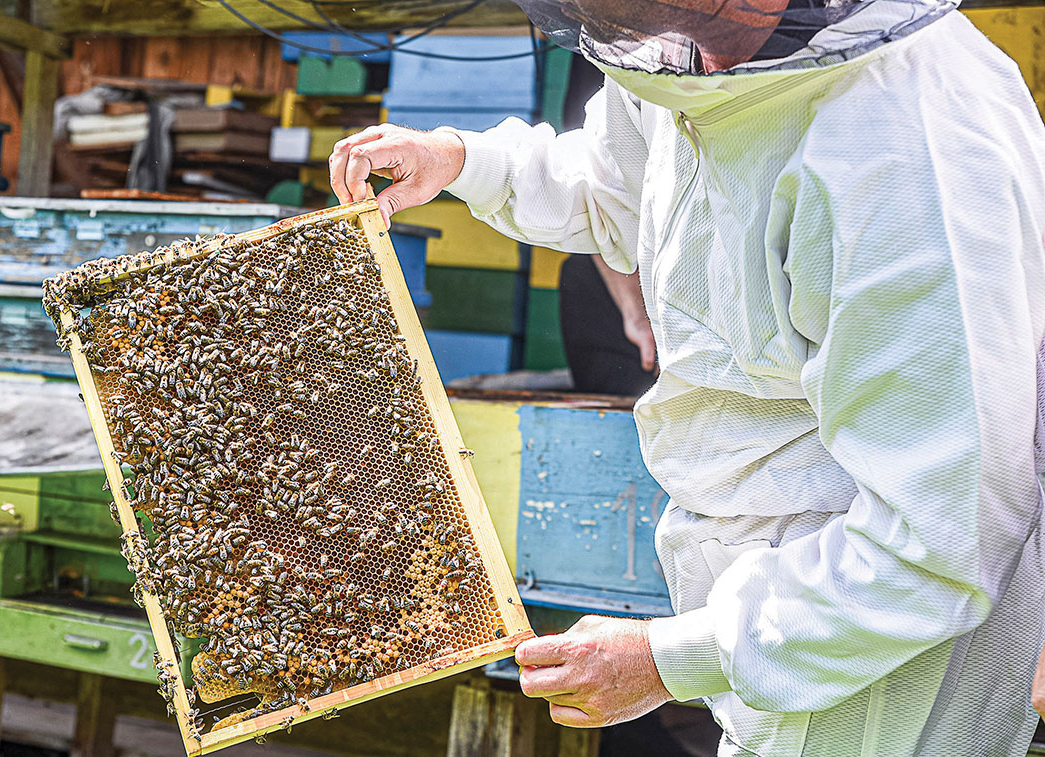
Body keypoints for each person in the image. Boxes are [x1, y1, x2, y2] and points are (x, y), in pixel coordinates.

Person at [329, 0, 1045, 753]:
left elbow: (937, 540)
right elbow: (613, 183)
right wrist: (464, 161)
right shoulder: (680, 51)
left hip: (888, 669)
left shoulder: (908, 148)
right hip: (771, 615)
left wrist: (671, 658)